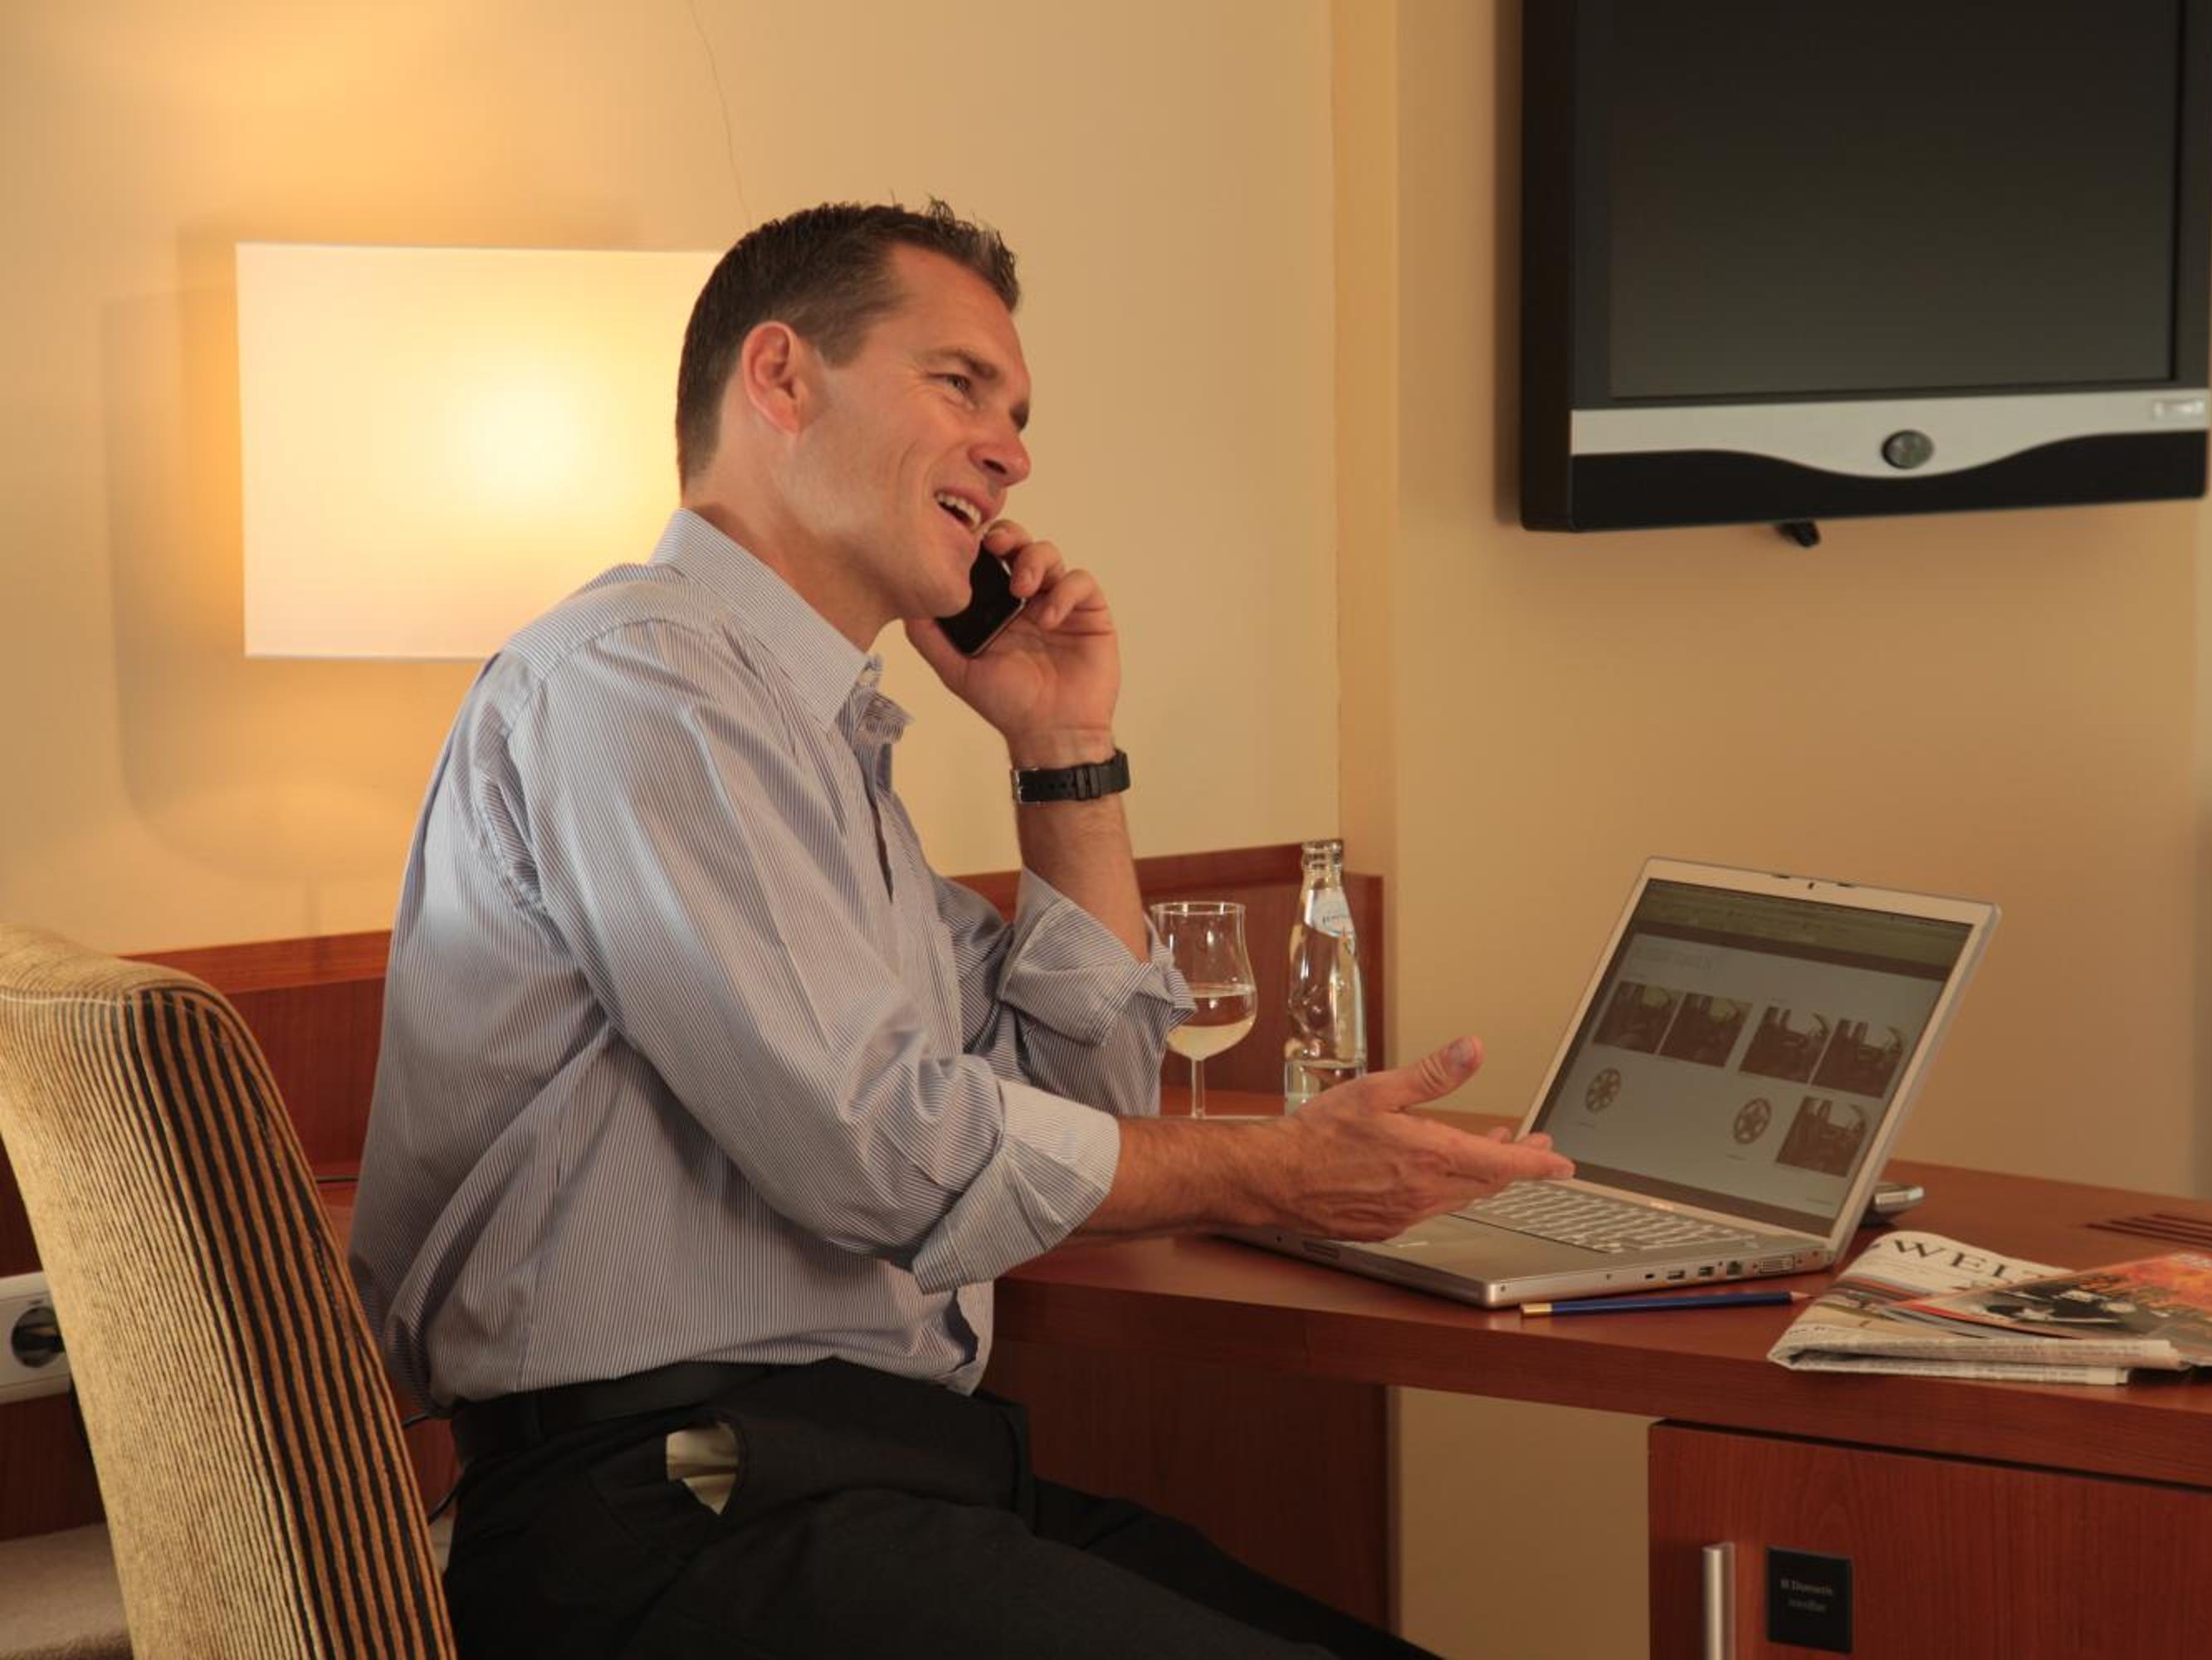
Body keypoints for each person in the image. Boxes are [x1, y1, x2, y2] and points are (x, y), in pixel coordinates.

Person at [349, 200, 1572, 1659]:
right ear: (782, 377)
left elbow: (1083, 1101)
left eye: (1018, 415)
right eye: (961, 386)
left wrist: (1064, 751)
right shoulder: (635, 686)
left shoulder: (801, 742)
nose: (1012, 453)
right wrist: (1280, 1172)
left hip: (862, 1482)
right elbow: (883, 1150)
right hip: (675, 1516)